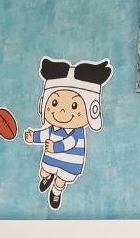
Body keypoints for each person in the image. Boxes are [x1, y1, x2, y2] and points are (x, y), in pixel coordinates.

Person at [23, 58, 113, 210]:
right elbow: (45, 133)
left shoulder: (77, 133)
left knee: (60, 180)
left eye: (74, 105)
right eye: (55, 103)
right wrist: (33, 137)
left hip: (69, 163)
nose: (62, 111)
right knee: (44, 171)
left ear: (92, 110)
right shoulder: (53, 127)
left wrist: (55, 147)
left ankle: (56, 192)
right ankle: (47, 177)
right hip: (52, 157)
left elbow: (69, 143)